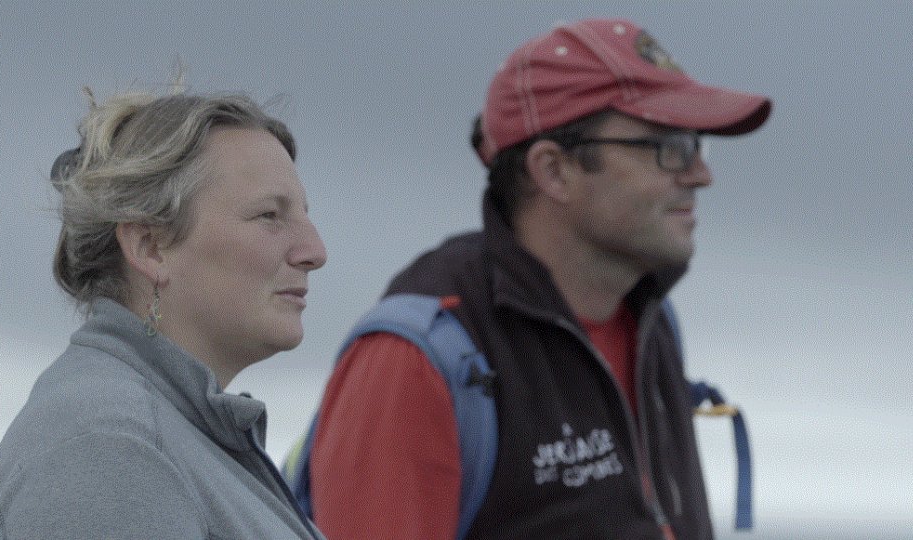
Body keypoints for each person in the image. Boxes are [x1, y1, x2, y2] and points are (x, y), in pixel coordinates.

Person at [307, 18, 771, 540]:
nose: (700, 175)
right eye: (669, 146)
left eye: (697, 146)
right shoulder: (418, 359)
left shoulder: (651, 321)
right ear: (554, 170)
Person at [0, 86, 328, 539]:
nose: (315, 251)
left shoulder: (167, 438)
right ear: (149, 247)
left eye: (305, 216)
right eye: (269, 216)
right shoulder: (108, 451)